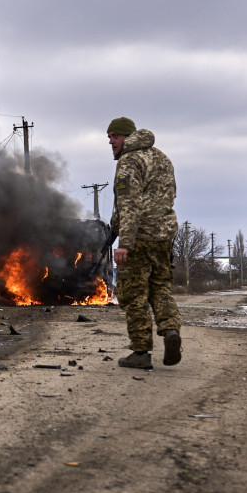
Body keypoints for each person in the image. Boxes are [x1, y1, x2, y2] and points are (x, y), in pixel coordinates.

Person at [106, 117, 182, 370]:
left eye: (115, 136)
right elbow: (167, 196)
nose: (110, 140)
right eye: (109, 136)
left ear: (127, 136)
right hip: (163, 236)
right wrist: (112, 229)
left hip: (138, 237)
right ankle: (170, 330)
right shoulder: (161, 157)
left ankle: (141, 352)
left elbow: (129, 205)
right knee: (160, 286)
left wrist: (123, 242)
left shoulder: (129, 161)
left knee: (133, 295)